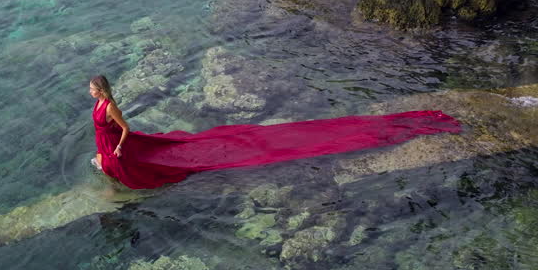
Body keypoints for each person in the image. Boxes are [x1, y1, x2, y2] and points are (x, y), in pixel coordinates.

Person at [89, 73, 461, 190]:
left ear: (101, 91)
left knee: (203, 150)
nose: (89, 94)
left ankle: (116, 166)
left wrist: (121, 147)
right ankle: (109, 165)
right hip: (106, 145)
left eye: (92, 90)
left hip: (115, 145)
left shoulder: (113, 107)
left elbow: (125, 129)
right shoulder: (100, 104)